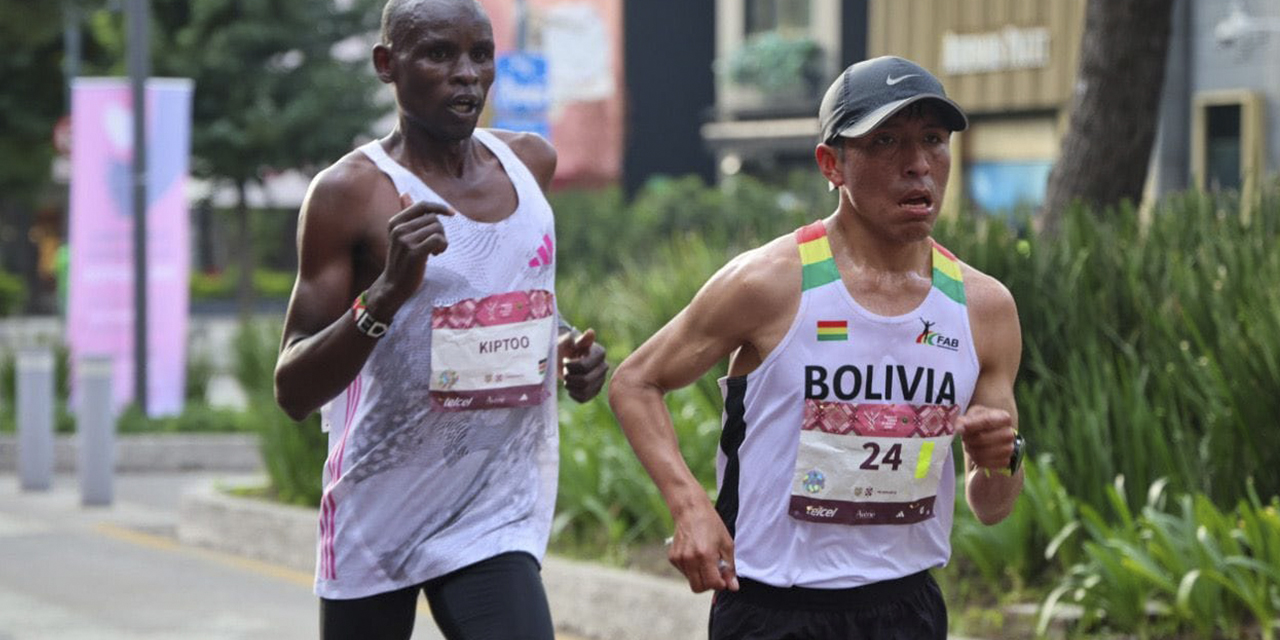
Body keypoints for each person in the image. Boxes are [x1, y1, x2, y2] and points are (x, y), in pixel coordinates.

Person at [608, 55, 1025, 639]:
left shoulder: (984, 307)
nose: (917, 165)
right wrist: (689, 506)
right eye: (886, 141)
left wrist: (1002, 456)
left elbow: (993, 505)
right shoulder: (769, 283)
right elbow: (635, 382)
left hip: (906, 607)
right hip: (773, 608)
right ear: (832, 164)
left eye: (933, 140)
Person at [272, 1, 608, 638]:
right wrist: (387, 293)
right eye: (438, 54)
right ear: (386, 65)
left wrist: (568, 347)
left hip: (492, 512)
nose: (467, 74)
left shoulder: (531, 163)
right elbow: (292, 389)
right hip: (379, 507)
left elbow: (517, 297)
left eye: (481, 54)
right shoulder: (350, 194)